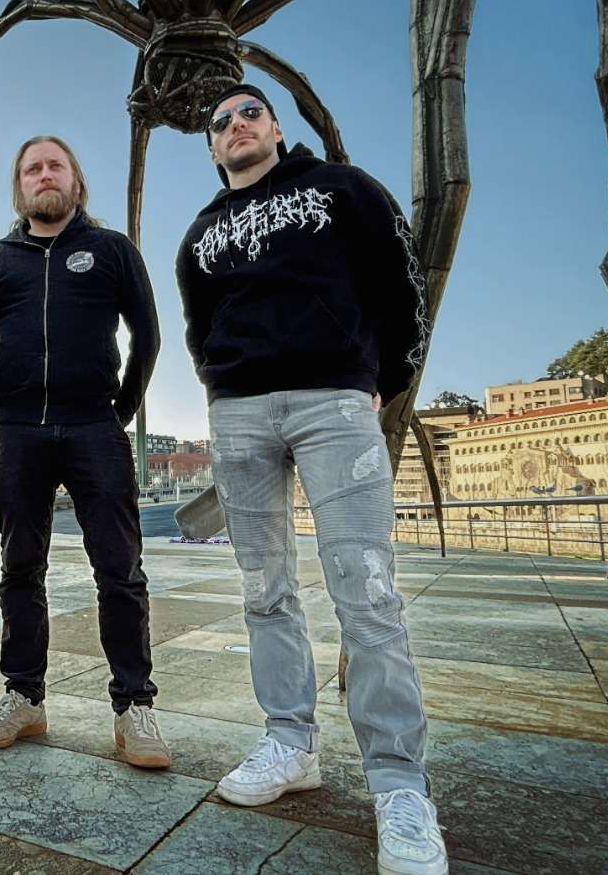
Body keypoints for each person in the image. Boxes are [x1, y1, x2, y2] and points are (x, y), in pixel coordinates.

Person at [176, 83, 447, 875]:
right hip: (239, 414)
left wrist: (382, 379)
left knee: (368, 591)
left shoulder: (342, 189)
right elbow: (198, 324)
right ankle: (290, 744)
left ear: (274, 124)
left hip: (335, 400)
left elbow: (403, 286)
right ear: (212, 146)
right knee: (264, 590)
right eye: (220, 122)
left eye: (249, 112)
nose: (236, 126)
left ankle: (399, 783)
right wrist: (221, 387)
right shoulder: (200, 234)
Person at [0, 136, 168, 768]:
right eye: (33, 168)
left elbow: (148, 336)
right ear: (19, 187)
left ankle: (133, 706)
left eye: (56, 165)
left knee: (120, 571)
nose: (45, 174)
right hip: (19, 431)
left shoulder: (111, 250)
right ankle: (24, 697)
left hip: (93, 427)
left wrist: (118, 411)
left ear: (76, 181)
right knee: (19, 569)